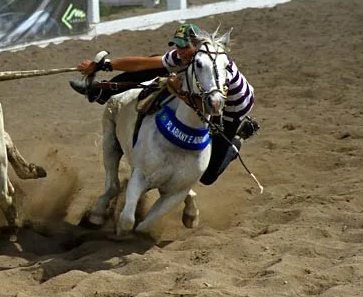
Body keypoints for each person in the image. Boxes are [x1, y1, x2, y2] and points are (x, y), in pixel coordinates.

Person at [69, 23, 259, 185]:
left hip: (230, 109)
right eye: (177, 46)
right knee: (156, 65)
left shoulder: (216, 66)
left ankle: (238, 138)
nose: (180, 51)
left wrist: (178, 90)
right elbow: (143, 64)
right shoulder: (185, 56)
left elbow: (209, 107)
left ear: (196, 46)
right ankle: (101, 89)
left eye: (184, 47)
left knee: (207, 177)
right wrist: (105, 65)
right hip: (203, 91)